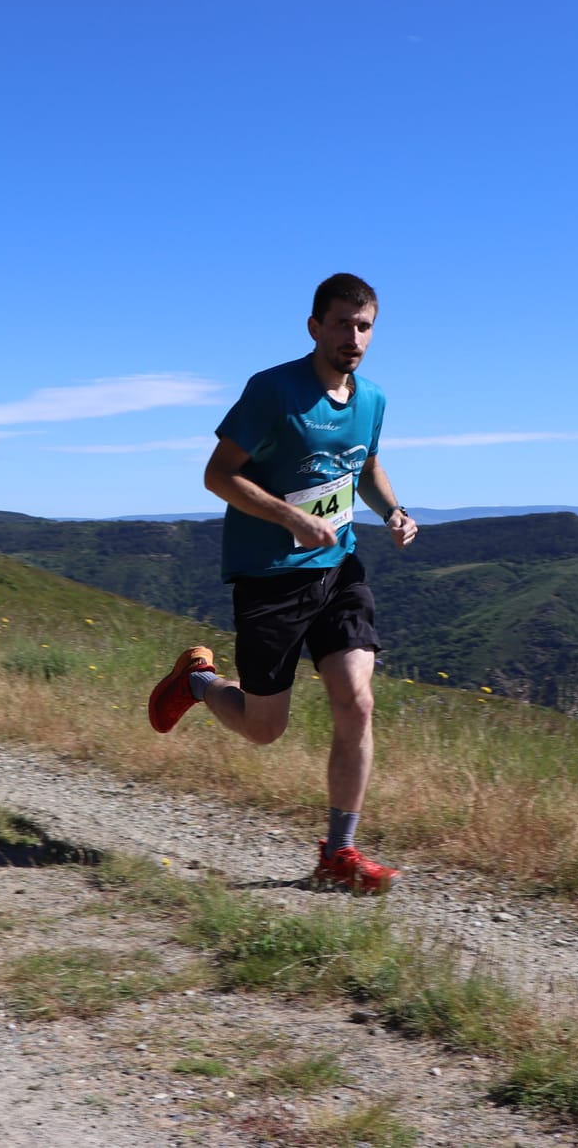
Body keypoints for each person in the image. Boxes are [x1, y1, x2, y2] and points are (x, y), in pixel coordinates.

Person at [147, 272, 418, 893]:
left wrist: (393, 512)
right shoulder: (272, 391)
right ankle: (196, 679)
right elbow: (218, 475)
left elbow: (367, 465)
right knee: (265, 728)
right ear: (315, 326)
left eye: (365, 325)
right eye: (343, 323)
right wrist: (290, 516)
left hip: (339, 568)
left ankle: (339, 853)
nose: (354, 336)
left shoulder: (372, 400)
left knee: (357, 700)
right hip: (271, 578)